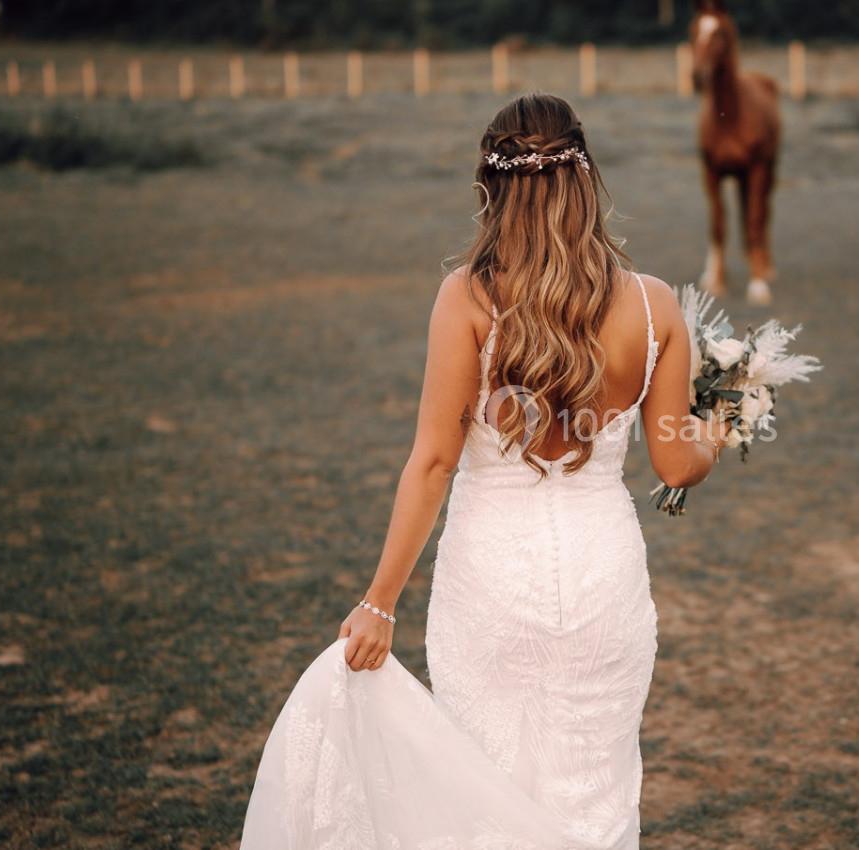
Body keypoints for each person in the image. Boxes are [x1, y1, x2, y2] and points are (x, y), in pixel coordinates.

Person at [239, 93, 728, 849]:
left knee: (483, 786)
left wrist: (379, 602)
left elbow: (433, 462)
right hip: (605, 584)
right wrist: (716, 435)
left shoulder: (467, 298)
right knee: (596, 789)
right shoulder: (654, 305)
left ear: (491, 188)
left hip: (490, 585)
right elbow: (674, 458)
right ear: (586, 179)